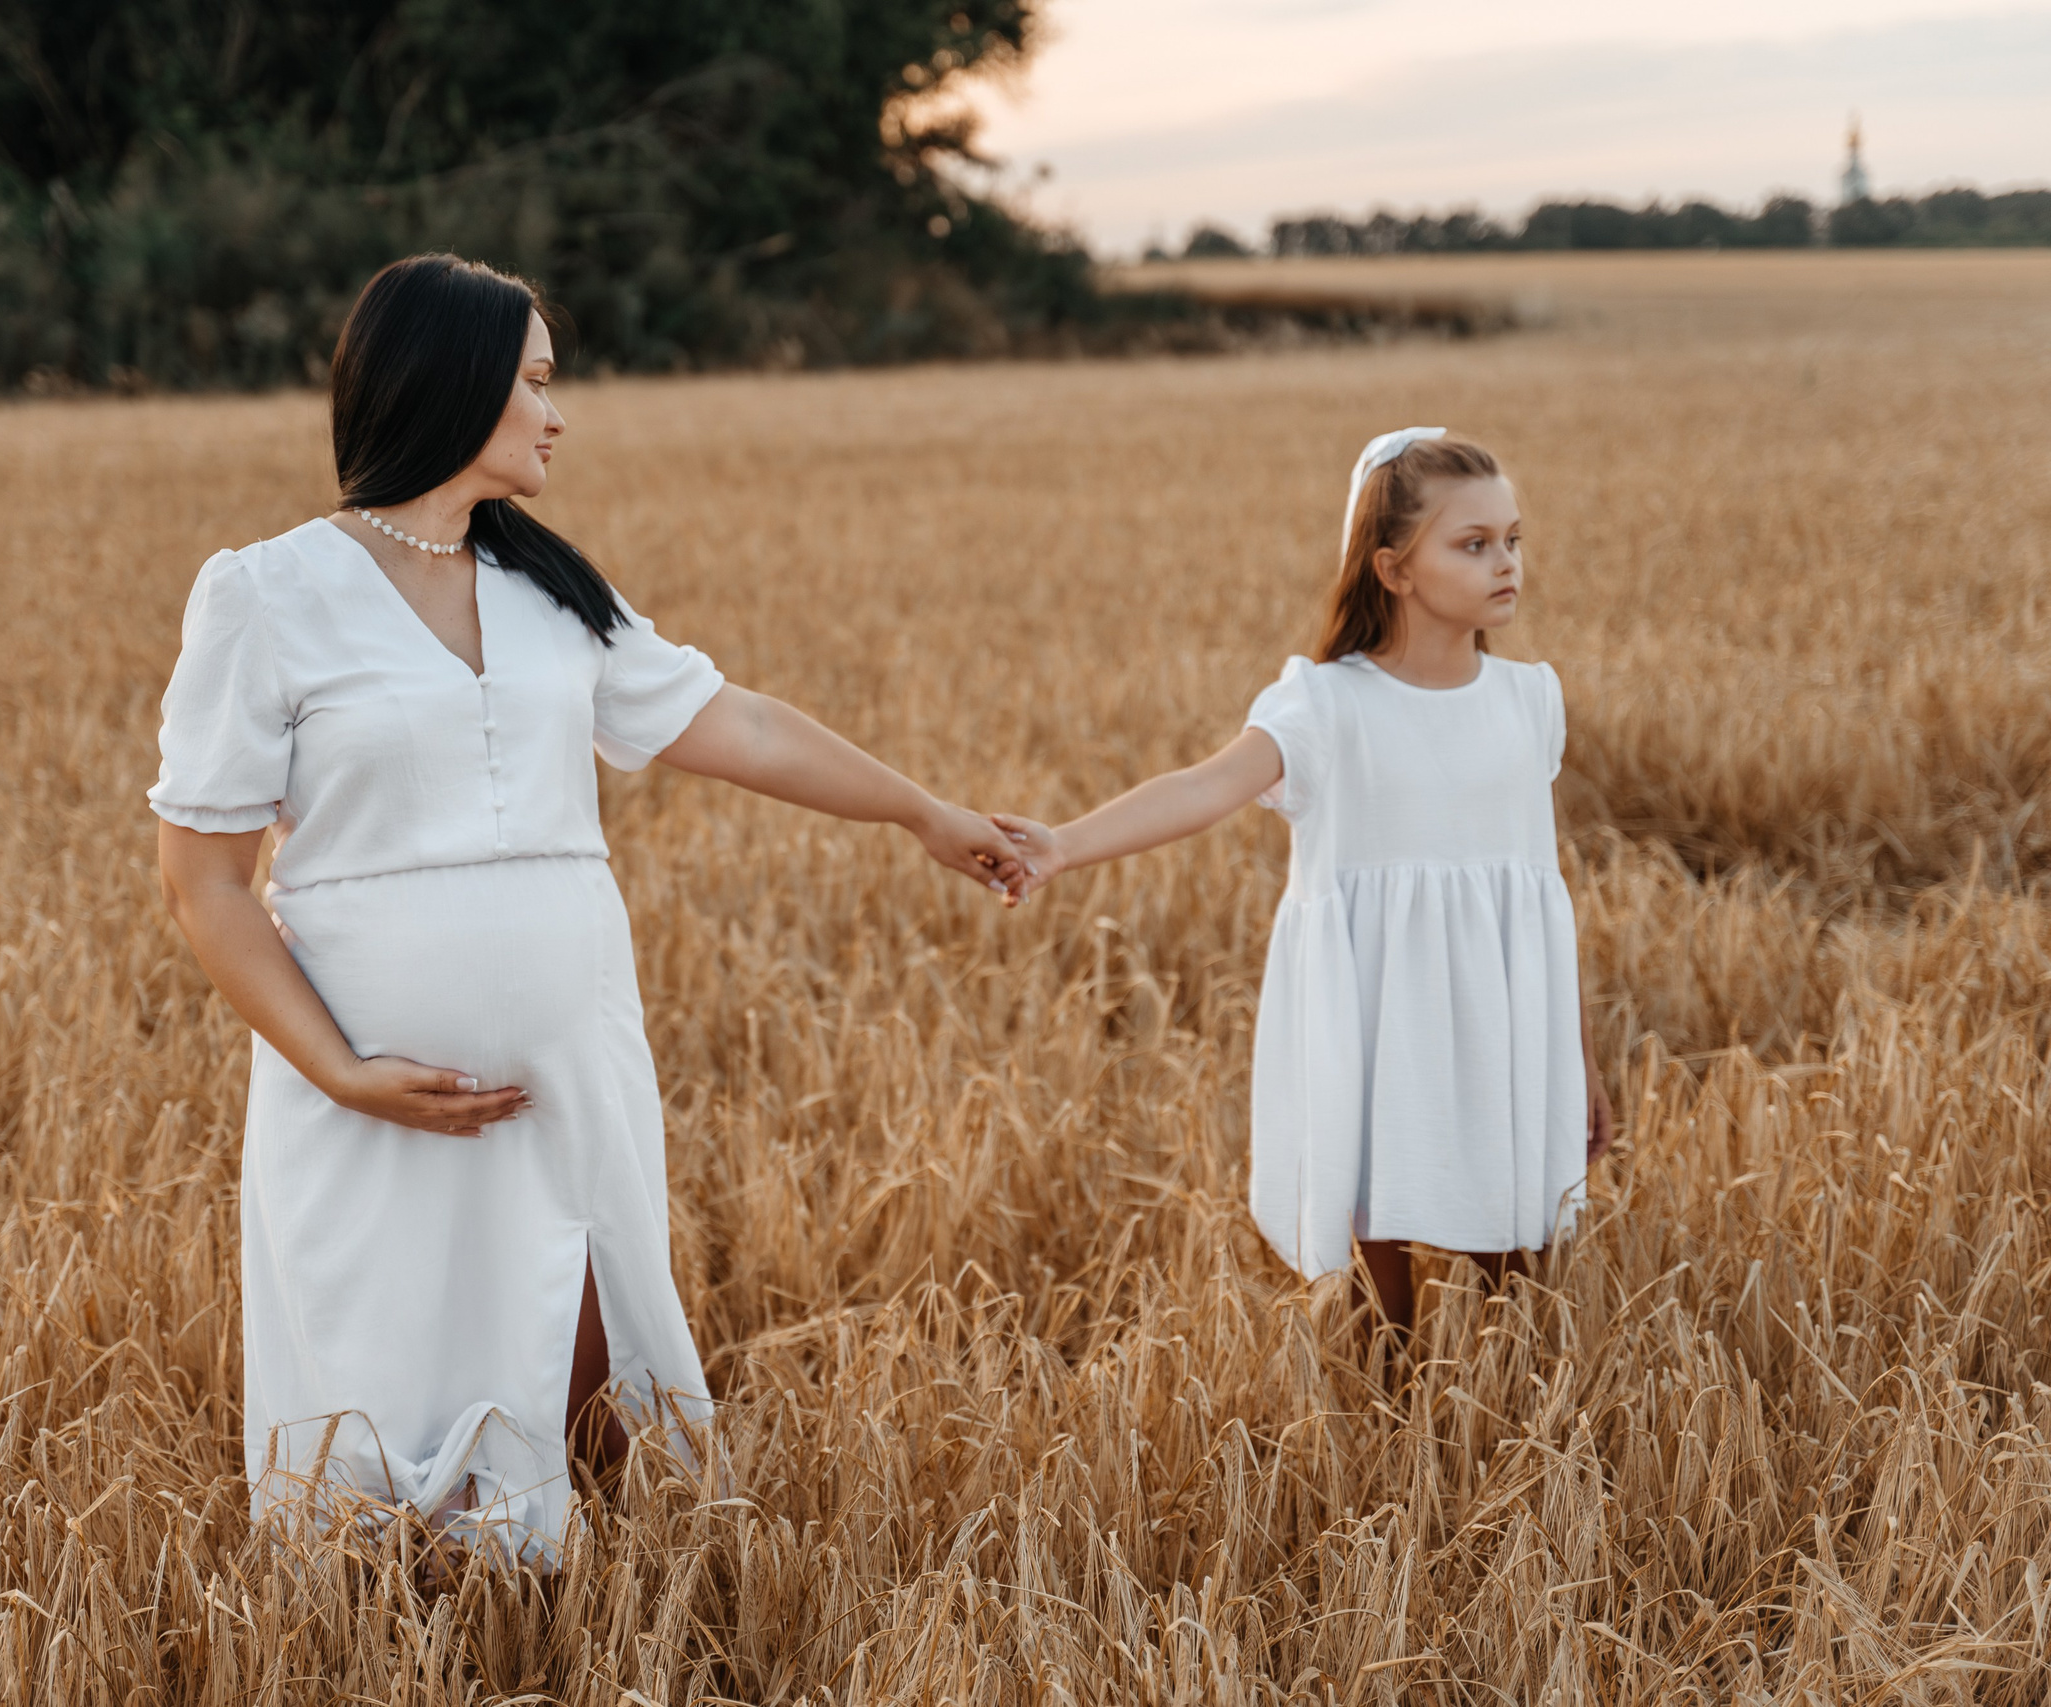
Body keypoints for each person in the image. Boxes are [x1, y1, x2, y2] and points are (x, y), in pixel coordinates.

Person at [148, 254, 1024, 1559]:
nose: (558, 412)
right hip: (378, 1084)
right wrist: (342, 1072)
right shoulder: (264, 594)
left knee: (590, 1358)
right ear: (450, 383)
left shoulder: (555, 592)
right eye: (536, 379)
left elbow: (744, 723)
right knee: (389, 1399)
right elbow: (203, 881)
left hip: (571, 1059)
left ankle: (585, 1630)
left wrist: (919, 810)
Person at [991, 429, 1616, 1337]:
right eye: (1473, 544)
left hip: (1503, 1023)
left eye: (1512, 539)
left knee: (1514, 1256)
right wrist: (1061, 845)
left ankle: (1509, 1435)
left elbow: (1540, 902)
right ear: (1394, 570)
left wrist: (1580, 1059)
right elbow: (1202, 787)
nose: (1506, 563)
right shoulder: (1324, 706)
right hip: (1372, 1021)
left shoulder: (1530, 702)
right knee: (1373, 1255)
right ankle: (1383, 1427)